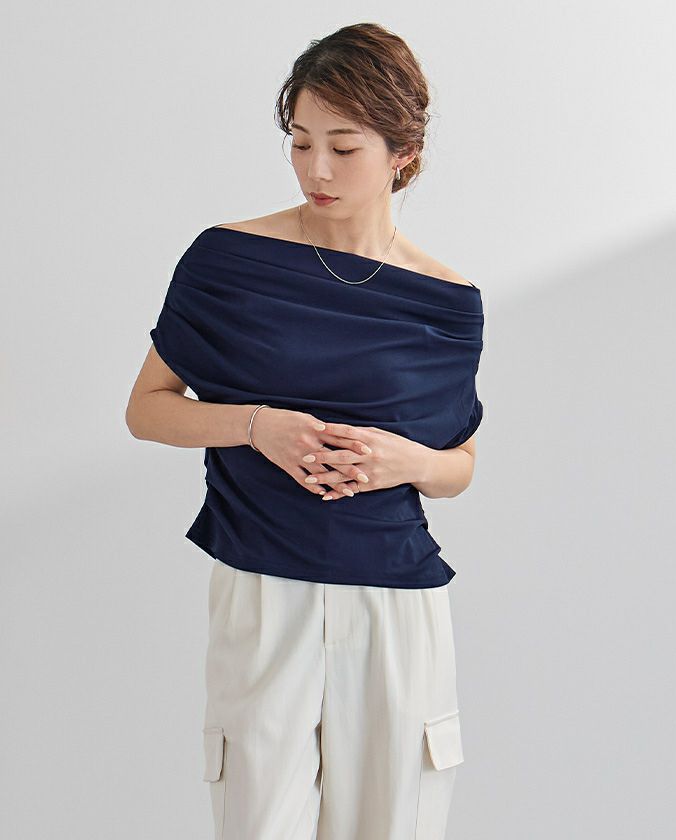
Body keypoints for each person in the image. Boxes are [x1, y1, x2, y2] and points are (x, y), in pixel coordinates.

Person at [126, 22, 484, 840]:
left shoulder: (448, 301)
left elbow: (460, 465)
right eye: (300, 141)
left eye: (343, 147)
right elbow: (147, 407)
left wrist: (408, 461)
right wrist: (255, 427)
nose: (316, 168)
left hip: (395, 605)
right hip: (263, 591)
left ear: (403, 152)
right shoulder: (227, 261)